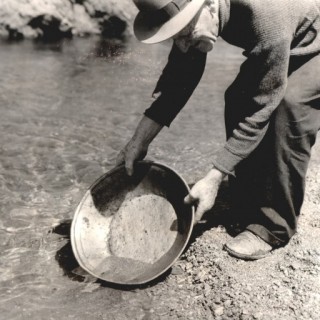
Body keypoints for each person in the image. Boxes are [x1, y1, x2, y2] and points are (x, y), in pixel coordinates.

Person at [116, 0, 320, 260]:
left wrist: (215, 176)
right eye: (175, 38)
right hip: (284, 40)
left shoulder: (266, 14)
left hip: (314, 44)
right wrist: (138, 141)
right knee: (238, 98)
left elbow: (261, 109)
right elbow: (179, 80)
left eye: (186, 33)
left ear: (210, 4)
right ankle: (247, 197)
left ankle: (273, 226)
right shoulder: (198, 15)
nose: (183, 45)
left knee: (287, 109)